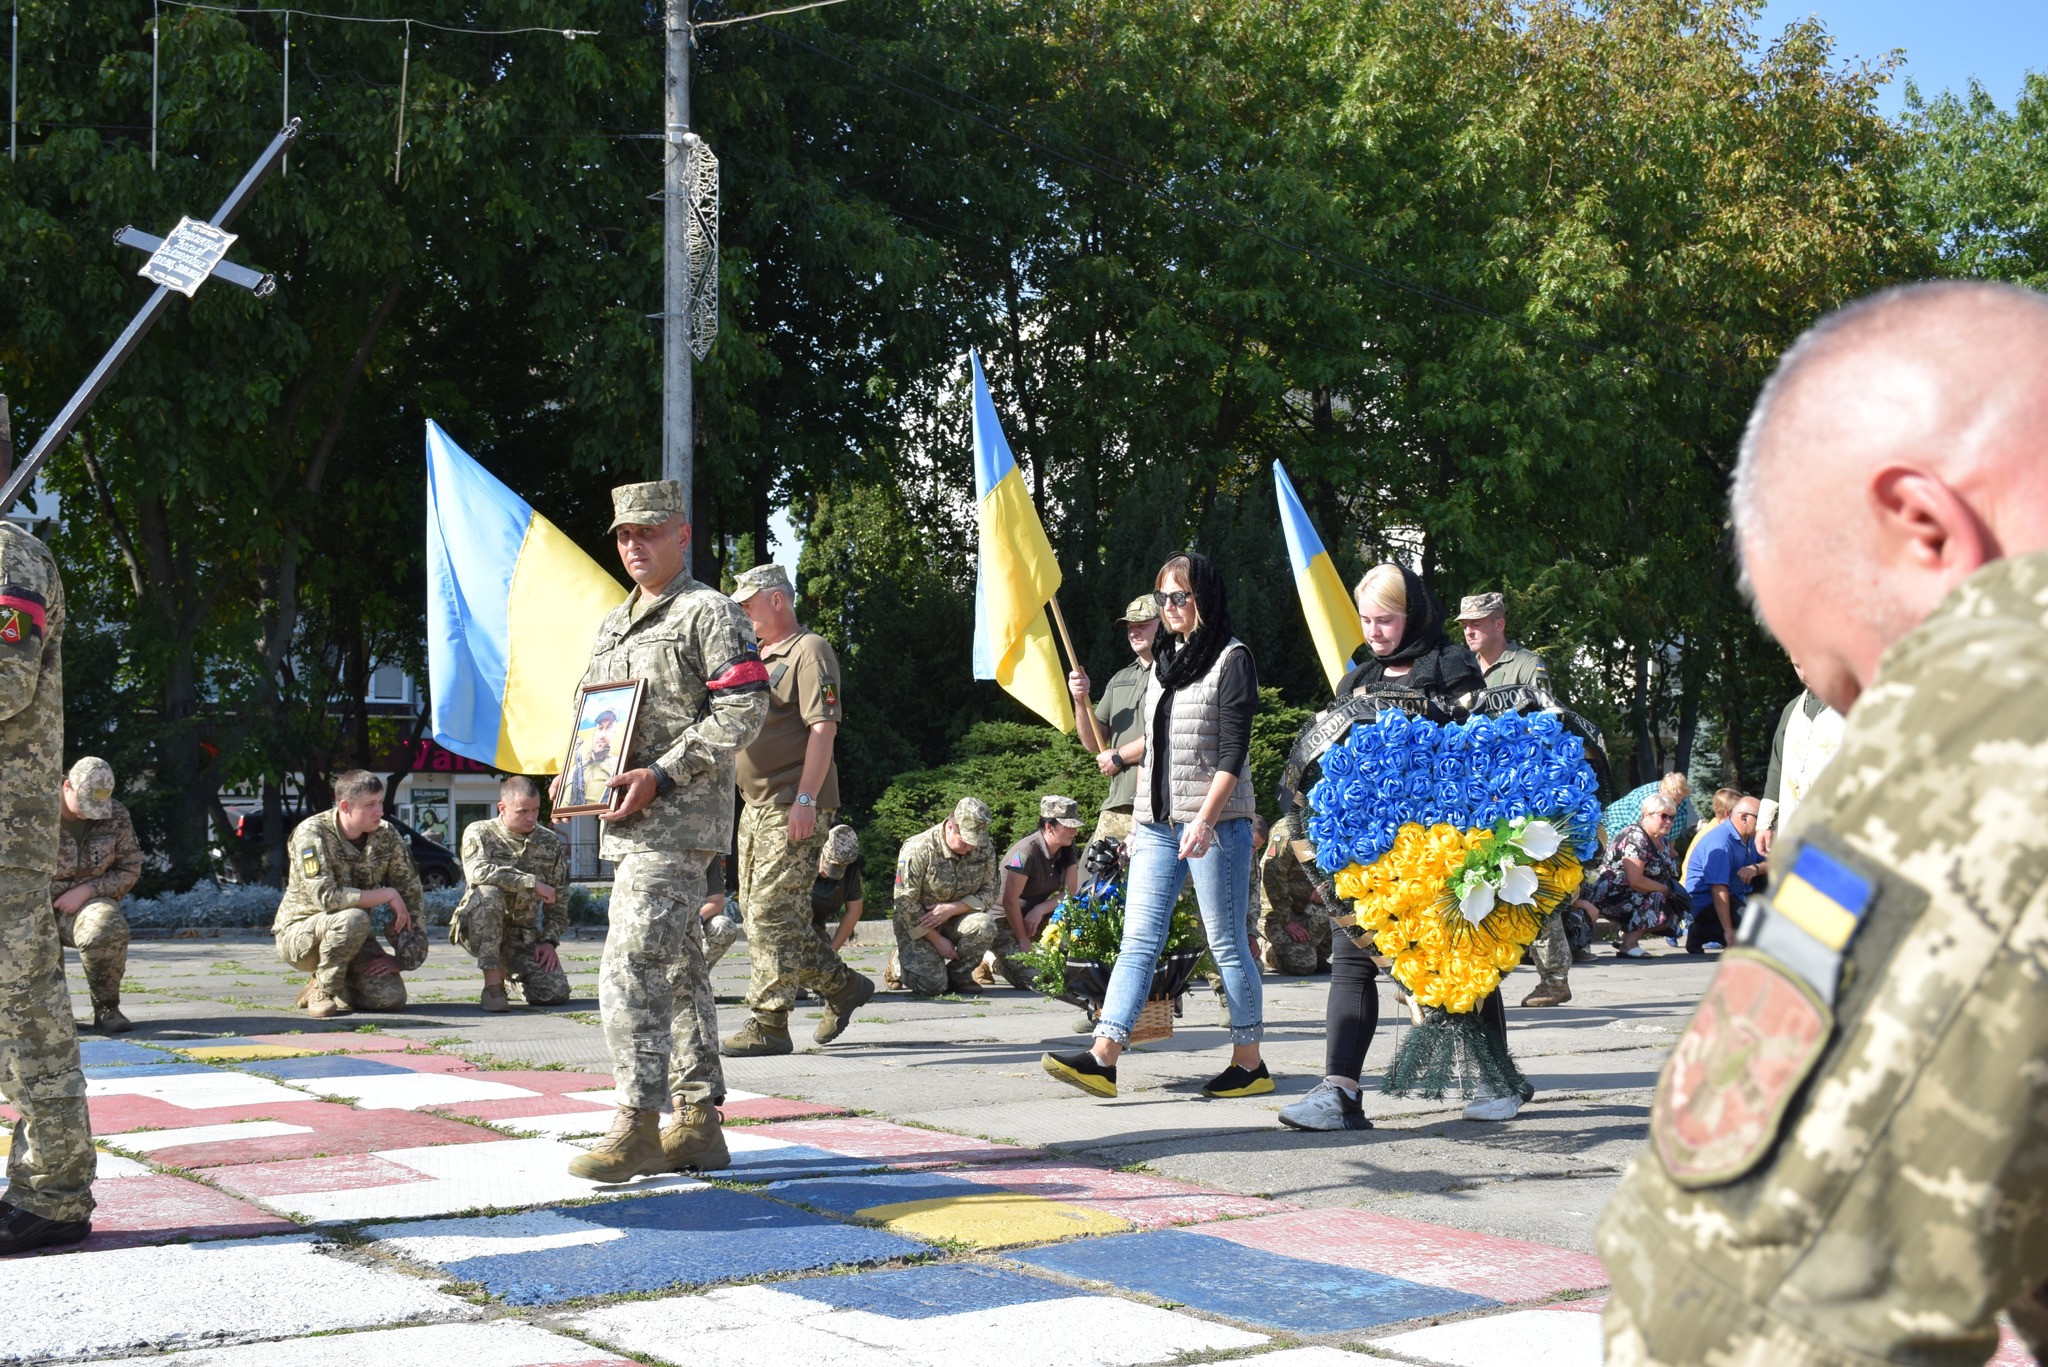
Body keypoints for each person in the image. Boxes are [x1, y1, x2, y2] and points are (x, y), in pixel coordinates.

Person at [1599, 281, 2048, 1366]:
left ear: (1928, 526)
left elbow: (1717, 1319)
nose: (1866, 726)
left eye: (1855, 687)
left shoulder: (1999, 705)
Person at [554, 479, 768, 1183]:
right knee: (678, 967)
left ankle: (638, 1120)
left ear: (681, 533)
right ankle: (699, 1122)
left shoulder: (710, 611)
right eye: (622, 534)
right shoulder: (614, 623)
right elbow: (601, 718)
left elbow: (743, 708)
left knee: (629, 965)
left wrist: (663, 775)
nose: (633, 544)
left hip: (676, 820)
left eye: (648, 531)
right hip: (629, 823)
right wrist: (574, 775)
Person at [1041, 552, 1271, 1102]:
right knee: (1137, 939)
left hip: (1216, 825)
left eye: (1180, 596)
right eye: (1164, 597)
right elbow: (1162, 737)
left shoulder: (1233, 659)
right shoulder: (1166, 660)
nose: (1169, 608)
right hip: (1154, 823)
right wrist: (1121, 759)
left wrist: (1206, 821)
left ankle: (1250, 1062)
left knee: (1227, 944)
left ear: (1205, 597)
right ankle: (1104, 1057)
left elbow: (1232, 753)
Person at [1281, 563, 1490, 1130]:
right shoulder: (1357, 679)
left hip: (1436, 849)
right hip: (1365, 856)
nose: (1374, 632)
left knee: (1459, 962)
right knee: (1351, 962)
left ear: (1414, 613)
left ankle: (1496, 1078)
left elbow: (1477, 757)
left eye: (1386, 620)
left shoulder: (1453, 669)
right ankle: (1341, 1093)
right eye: (1366, 620)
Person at [722, 564, 873, 1057]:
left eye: (749, 604)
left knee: (768, 913)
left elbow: (823, 729)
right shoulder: (756, 655)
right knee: (768, 916)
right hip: (756, 804)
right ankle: (843, 985)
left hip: (793, 801)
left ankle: (769, 1023)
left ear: (778, 601)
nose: (744, 613)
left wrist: (807, 800)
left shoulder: (809, 650)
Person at [0, 514, 95, 1256]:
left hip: (4, 836)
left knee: (26, 1012)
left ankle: (54, 1192)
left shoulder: (7, 551)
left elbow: (6, 681)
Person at [272, 771, 427, 1017]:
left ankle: (331, 978)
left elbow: (411, 895)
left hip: (353, 936)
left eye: (380, 802)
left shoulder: (386, 835)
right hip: (302, 934)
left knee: (390, 999)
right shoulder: (312, 833)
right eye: (370, 805)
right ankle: (322, 990)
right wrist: (386, 893)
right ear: (345, 806)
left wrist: (404, 959)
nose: (380, 811)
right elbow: (327, 898)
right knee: (353, 918)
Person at [451, 775, 571, 1012]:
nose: (531, 817)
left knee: (553, 992)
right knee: (489, 892)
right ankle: (493, 987)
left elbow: (559, 900)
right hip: (478, 926)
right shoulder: (480, 832)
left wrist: (549, 941)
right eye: (522, 811)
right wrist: (531, 883)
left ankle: (512, 975)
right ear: (502, 808)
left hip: (521, 936)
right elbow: (478, 872)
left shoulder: (548, 842)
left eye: (535, 810)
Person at [50, 756, 141, 1034]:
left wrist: (88, 890)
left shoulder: (115, 814)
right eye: (84, 805)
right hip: (31, 904)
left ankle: (107, 1009)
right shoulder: (34, 811)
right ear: (67, 785)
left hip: (84, 904)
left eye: (98, 806)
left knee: (106, 925)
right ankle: (52, 1016)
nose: (91, 814)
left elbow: (129, 868)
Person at [1068, 595, 1164, 844]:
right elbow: (1093, 743)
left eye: (1142, 625)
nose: (1133, 633)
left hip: (1162, 808)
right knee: (1096, 882)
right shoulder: (1119, 679)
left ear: (1163, 623)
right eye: (1130, 627)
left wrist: (1119, 755)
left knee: (1165, 884)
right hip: (1118, 805)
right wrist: (1080, 699)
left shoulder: (1178, 675)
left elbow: (1171, 731)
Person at [892, 798, 1000, 996]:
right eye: (966, 841)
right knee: (932, 987)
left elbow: (991, 891)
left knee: (985, 925)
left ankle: (959, 975)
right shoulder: (919, 848)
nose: (971, 848)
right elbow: (904, 902)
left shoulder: (983, 848)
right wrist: (936, 939)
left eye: (975, 842)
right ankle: (899, 964)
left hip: (956, 918)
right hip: (918, 925)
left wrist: (954, 908)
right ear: (950, 827)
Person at [985, 796, 1084, 989]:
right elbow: (1009, 902)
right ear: (1049, 827)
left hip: (1034, 918)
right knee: (1036, 981)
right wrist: (1023, 940)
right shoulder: (1025, 852)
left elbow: (1071, 894)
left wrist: (1041, 909)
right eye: (1068, 826)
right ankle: (990, 960)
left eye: (1075, 826)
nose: (1074, 832)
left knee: (1066, 970)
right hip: (1004, 920)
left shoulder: (1066, 848)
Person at [1587, 793, 1683, 958]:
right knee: (1659, 898)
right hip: (1613, 894)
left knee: (1678, 905)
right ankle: (1628, 945)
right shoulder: (1635, 837)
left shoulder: (1662, 841)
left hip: (1636, 894)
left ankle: (1627, 933)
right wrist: (1666, 890)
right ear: (1647, 815)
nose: (1669, 821)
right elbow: (1635, 880)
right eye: (1664, 816)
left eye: (1672, 817)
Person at [1756, 673, 1842, 856]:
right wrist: (1765, 824)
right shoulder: (1792, 710)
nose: (1804, 672)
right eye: (1796, 665)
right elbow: (1776, 768)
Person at [1679, 793, 1764, 954]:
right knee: (1754, 932)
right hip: (1707, 904)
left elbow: (1773, 862)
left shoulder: (1750, 837)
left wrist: (1756, 868)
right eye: (1760, 818)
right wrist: (1728, 930)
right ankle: (1700, 932)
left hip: (1735, 896)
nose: (1763, 824)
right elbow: (1718, 890)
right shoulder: (1721, 843)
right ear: (1744, 818)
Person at [1256, 814, 1332, 976]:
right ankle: (1264, 947)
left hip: (1314, 906)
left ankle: (1316, 952)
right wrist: (1287, 920)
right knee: (1302, 965)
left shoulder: (1336, 822)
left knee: (1316, 961)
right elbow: (1272, 874)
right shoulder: (1288, 829)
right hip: (1279, 912)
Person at [1456, 591, 1552, 695]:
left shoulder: (1527, 665)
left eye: (1476, 624)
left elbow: (1544, 707)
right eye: (1465, 626)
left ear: (1499, 625)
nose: (1468, 632)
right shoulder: (1467, 670)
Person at [1601, 772, 1696, 852]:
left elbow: (1674, 829)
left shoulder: (1680, 795)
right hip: (1616, 828)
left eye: (1679, 800)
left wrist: (1670, 850)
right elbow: (1634, 834)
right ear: (1661, 791)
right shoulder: (1645, 800)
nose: (1675, 804)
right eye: (1673, 800)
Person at [812, 824, 865, 953]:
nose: (827, 873)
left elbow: (854, 910)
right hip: (786, 927)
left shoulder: (851, 873)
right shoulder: (799, 861)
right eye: (828, 863)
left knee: (827, 966)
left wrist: (832, 952)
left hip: (815, 928)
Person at [570, 710, 619, 808]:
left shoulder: (616, 765)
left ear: (613, 733)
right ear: (595, 732)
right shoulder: (577, 767)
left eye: (608, 728)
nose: (603, 736)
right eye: (600, 728)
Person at [699, 856, 741, 969]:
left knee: (723, 926)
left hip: (694, 920)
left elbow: (716, 902)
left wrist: (697, 919)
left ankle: (696, 972)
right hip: (659, 920)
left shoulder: (708, 854)